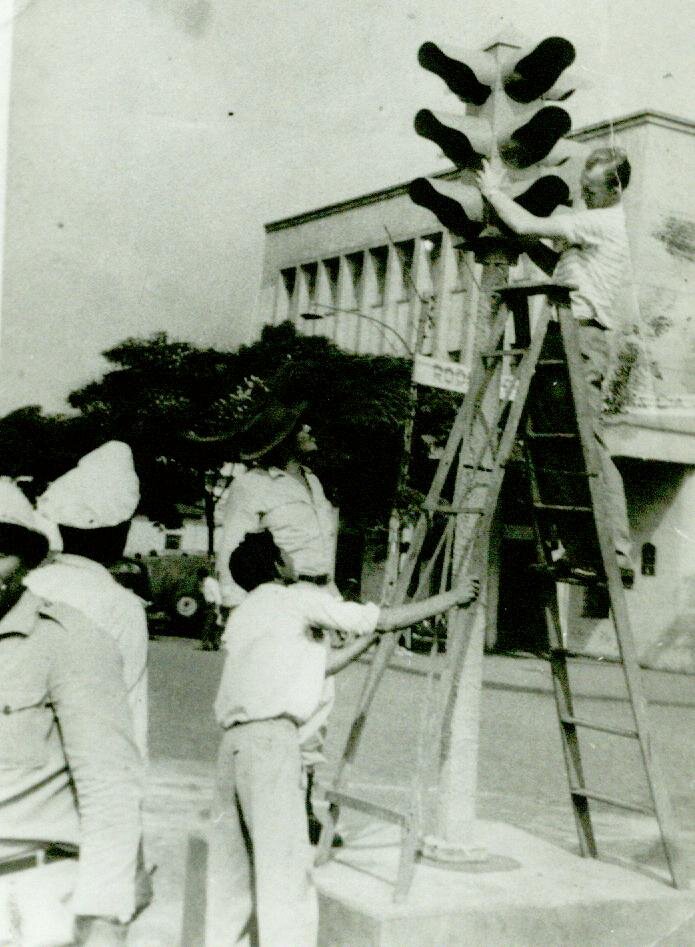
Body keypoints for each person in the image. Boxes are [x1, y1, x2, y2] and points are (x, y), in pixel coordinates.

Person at [212, 529, 479, 947]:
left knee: (232, 872)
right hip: (271, 745)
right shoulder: (296, 598)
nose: (292, 558)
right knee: (284, 871)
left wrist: (370, 640)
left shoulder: (246, 613)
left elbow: (320, 666)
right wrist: (453, 597)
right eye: (285, 553)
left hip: (233, 745)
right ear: (277, 567)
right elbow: (384, 617)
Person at [476, 147, 634, 584]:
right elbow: (560, 265)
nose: (583, 196)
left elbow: (526, 224)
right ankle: (581, 547)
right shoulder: (593, 229)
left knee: (587, 441)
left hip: (582, 334)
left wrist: (493, 191)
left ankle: (616, 549)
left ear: (614, 188)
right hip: (563, 330)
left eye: (591, 189)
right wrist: (526, 244)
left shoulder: (600, 223)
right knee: (555, 441)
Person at [0, 479, 144, 946]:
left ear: (26, 560)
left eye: (1, 550)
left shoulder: (69, 640)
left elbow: (109, 787)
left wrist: (103, 918)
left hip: (27, 895)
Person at [215, 397, 339, 841]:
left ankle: (302, 803)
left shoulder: (313, 483)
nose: (312, 431)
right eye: (302, 425)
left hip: (319, 595)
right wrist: (237, 611)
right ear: (283, 437)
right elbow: (231, 551)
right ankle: (266, 804)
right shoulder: (251, 486)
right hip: (279, 601)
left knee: (319, 703)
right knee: (278, 705)